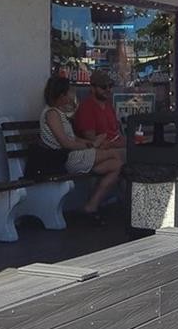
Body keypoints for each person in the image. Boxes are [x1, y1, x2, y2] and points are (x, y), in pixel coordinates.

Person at [32, 76, 123, 223]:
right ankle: (99, 202)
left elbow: (73, 138)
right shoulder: (52, 114)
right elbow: (65, 143)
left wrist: (90, 143)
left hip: (73, 155)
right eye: (69, 92)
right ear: (62, 95)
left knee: (116, 165)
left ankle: (91, 205)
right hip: (64, 158)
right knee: (113, 154)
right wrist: (92, 145)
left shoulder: (59, 113)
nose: (72, 96)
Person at [73, 70, 122, 147]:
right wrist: (117, 144)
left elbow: (116, 131)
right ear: (93, 88)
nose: (108, 89)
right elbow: (92, 139)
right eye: (103, 87)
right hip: (105, 149)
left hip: (117, 145)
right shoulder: (86, 108)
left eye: (110, 86)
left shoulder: (108, 105)